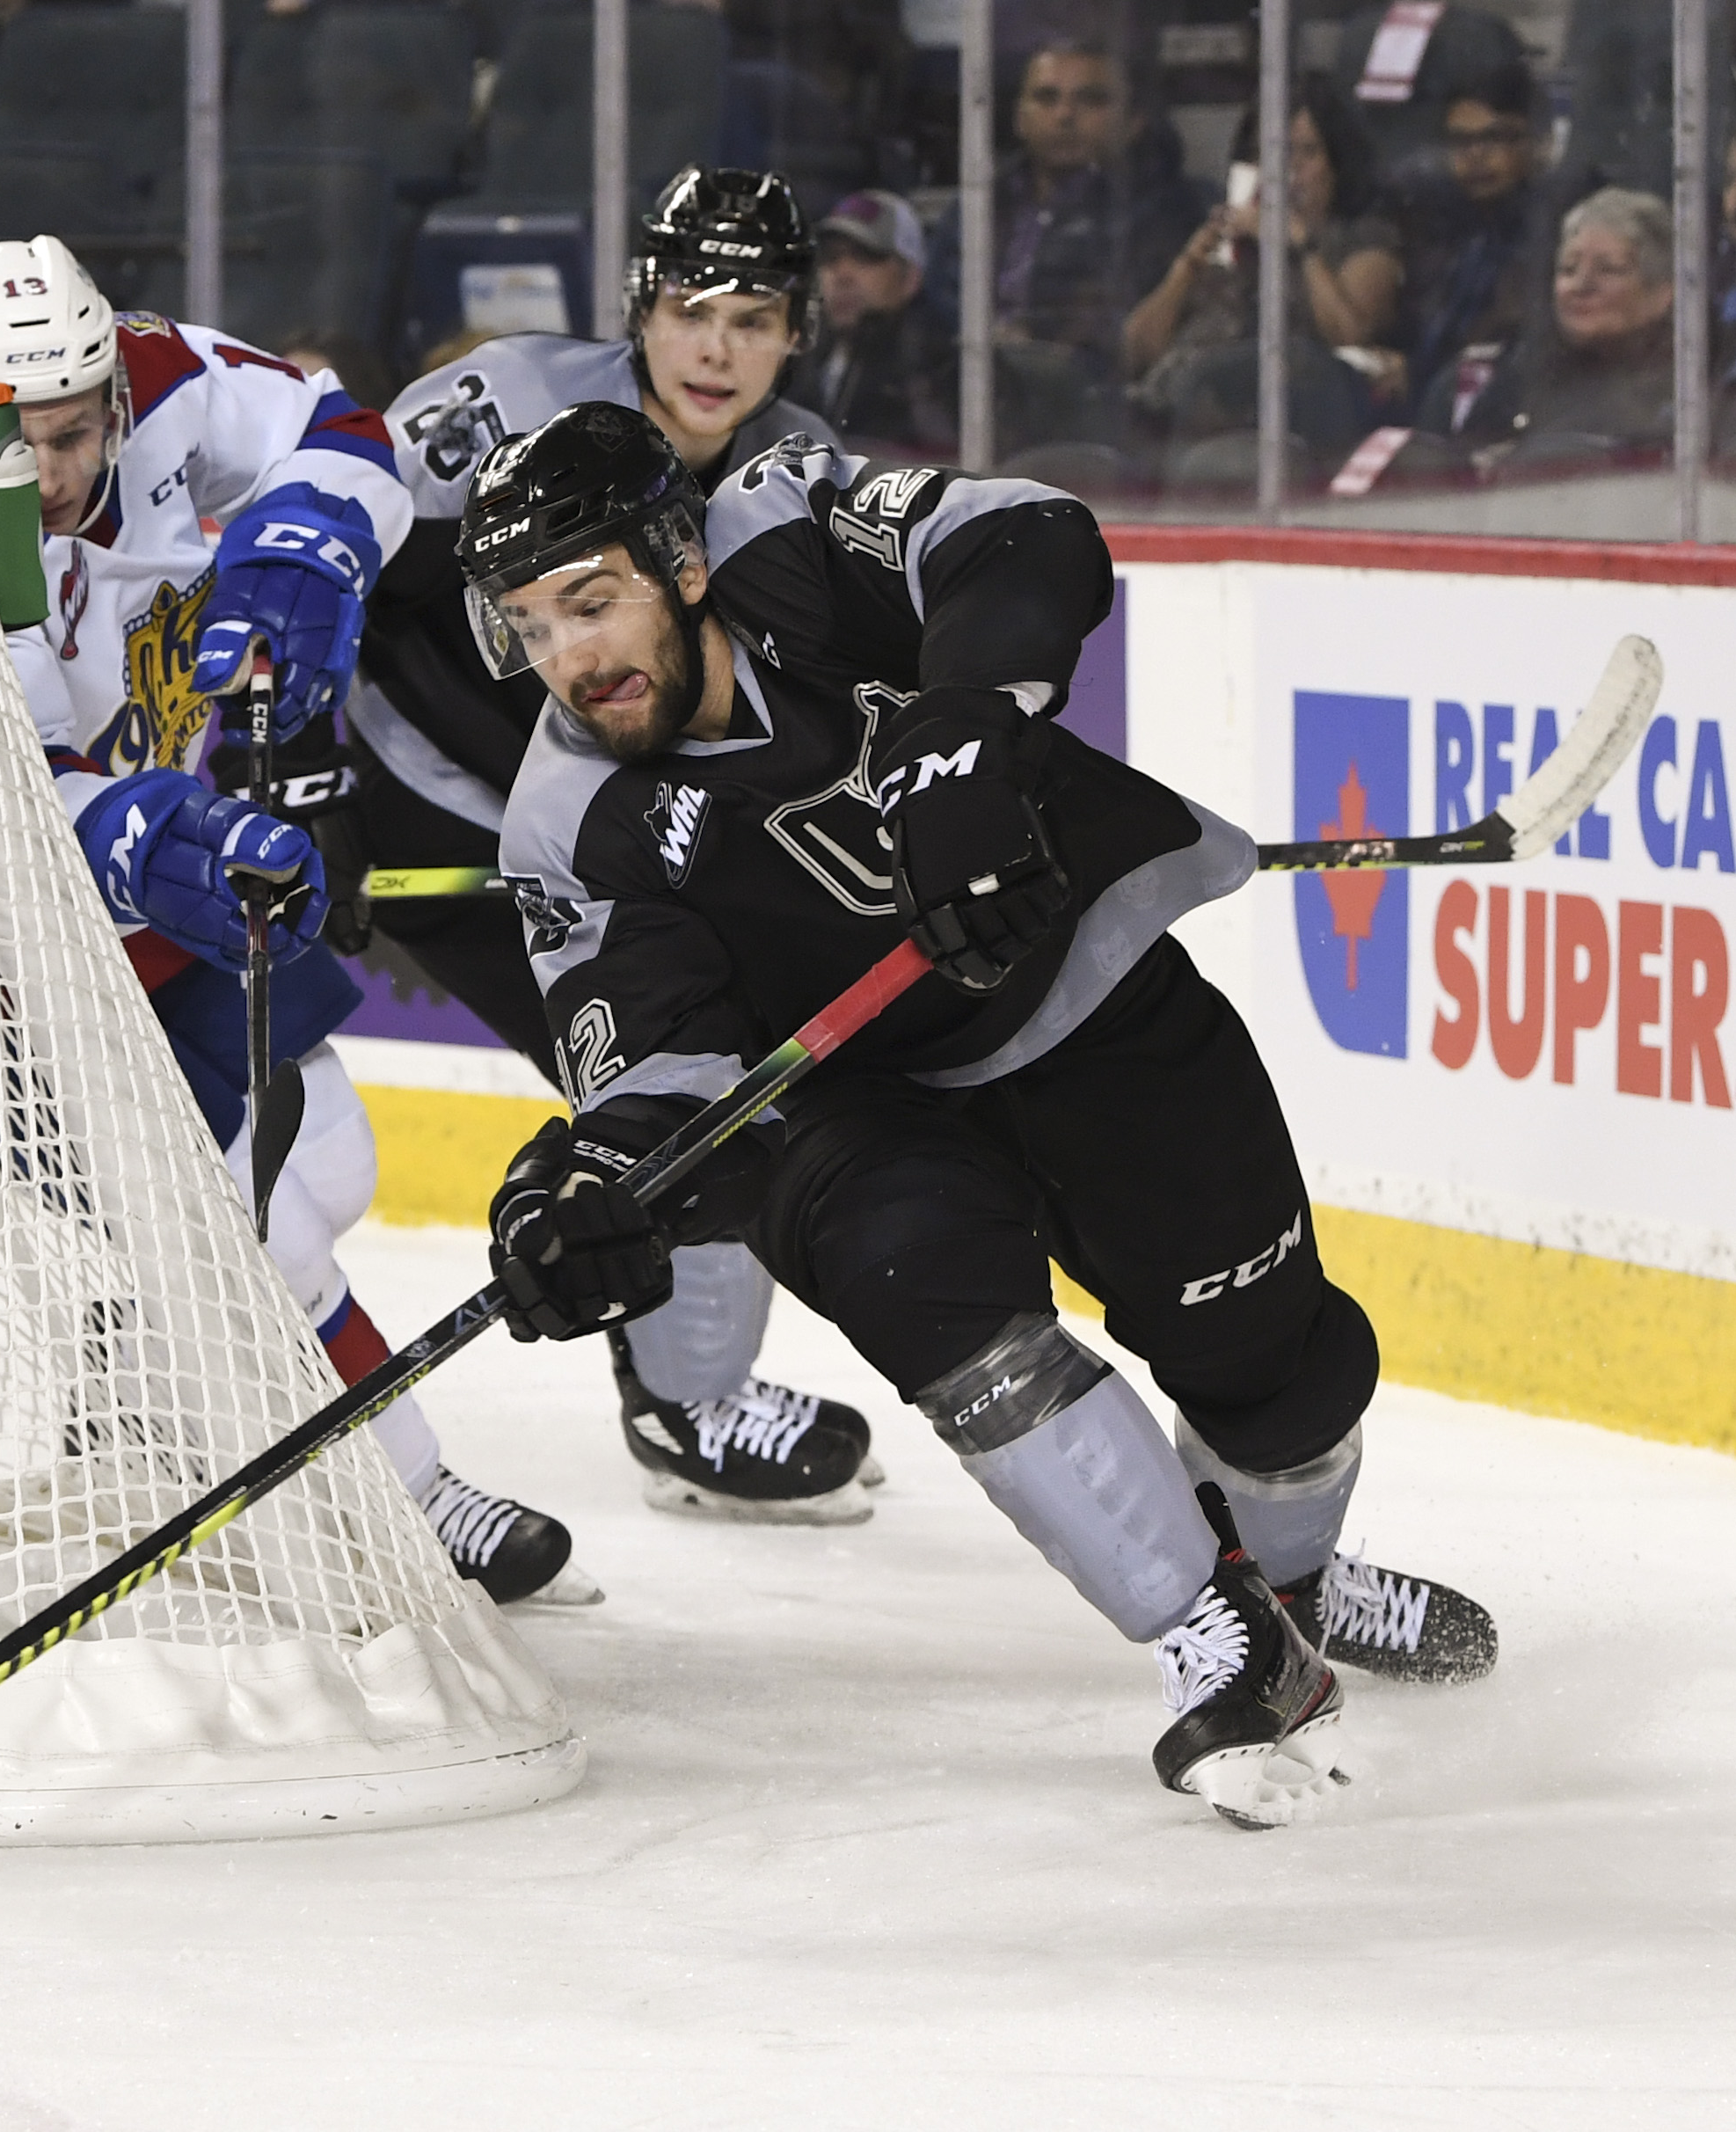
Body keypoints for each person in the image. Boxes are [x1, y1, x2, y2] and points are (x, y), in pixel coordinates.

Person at [458, 403, 1497, 1823]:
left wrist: (953, 735)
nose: (570, 660)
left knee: (1276, 1373)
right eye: (529, 627)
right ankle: (1221, 1637)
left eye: (591, 601)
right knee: (911, 1274)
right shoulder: (565, 822)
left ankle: (1292, 1580)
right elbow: (652, 1059)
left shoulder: (781, 532)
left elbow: (1026, 538)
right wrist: (584, 1184)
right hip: (857, 1097)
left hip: (1092, 1001)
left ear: (678, 562)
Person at [0, 236, 587, 1604]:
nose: (53, 473)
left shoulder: (160, 379)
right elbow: (7, 800)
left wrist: (305, 540)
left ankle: (139, 1376)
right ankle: (411, 1499)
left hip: (131, 847)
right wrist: (153, 835)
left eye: (73, 432)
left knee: (322, 1160)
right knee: (247, 1214)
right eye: (15, 444)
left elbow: (338, 431)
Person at [345, 168, 880, 1526]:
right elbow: (325, 544)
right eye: (691, 310)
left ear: (795, 332)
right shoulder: (506, 400)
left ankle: (687, 1390)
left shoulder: (797, 469)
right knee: (670, 1071)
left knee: (719, 1065)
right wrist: (294, 779)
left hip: (603, 829)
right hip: (420, 804)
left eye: (751, 319)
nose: (715, 350)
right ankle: (683, 1400)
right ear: (640, 306)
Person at [928, 36, 1206, 455]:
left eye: (1090, 100)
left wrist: (1036, 342)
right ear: (1019, 117)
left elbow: (1126, 330)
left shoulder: (1163, 210)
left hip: (1090, 410)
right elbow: (937, 303)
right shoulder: (980, 203)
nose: (1064, 115)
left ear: (1134, 121)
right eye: (1046, 98)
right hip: (969, 396)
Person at [1123, 84, 1400, 466]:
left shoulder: (1361, 240)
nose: (1287, 171)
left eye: (1306, 152)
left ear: (1338, 161)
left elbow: (1349, 335)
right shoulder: (1223, 248)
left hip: (1285, 426)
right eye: (1268, 154)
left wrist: (1298, 243)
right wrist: (1186, 268)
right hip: (1174, 411)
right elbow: (1135, 353)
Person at [1417, 186, 1676, 468]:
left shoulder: (1689, 392)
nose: (1581, 286)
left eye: (1609, 269)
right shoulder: (1503, 379)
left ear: (1663, 294)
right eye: (1568, 269)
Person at [1393, 62, 1572, 419]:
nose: (1475, 155)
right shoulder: (1448, 225)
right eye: (1461, 141)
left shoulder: (1558, 227)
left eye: (1494, 138)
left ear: (1542, 142)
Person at [798, 188, 955, 458]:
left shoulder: (939, 367)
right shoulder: (802, 353)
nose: (842, 274)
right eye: (830, 258)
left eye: (865, 257)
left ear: (910, 278)